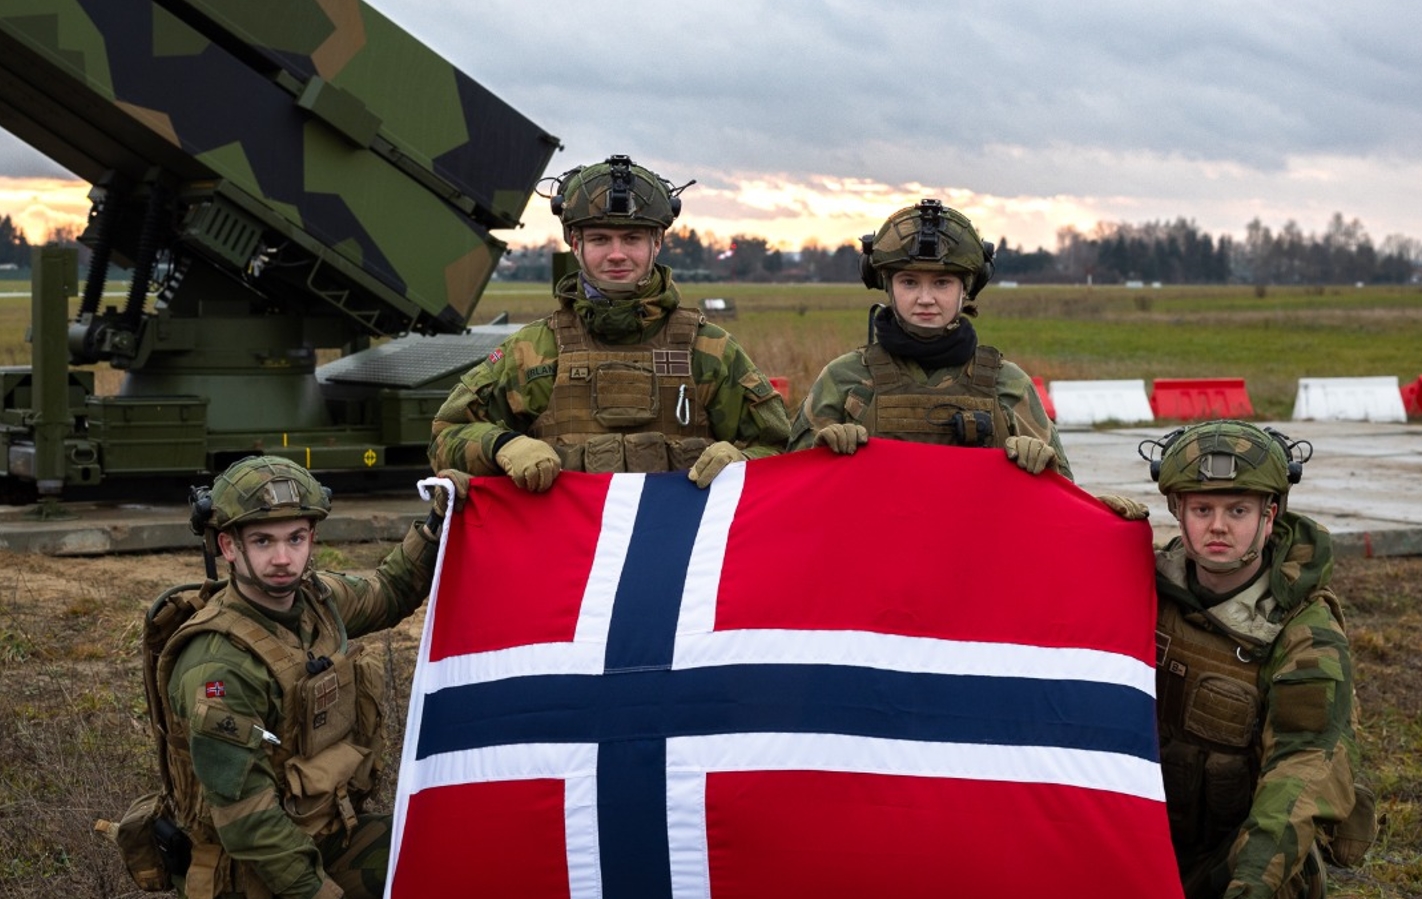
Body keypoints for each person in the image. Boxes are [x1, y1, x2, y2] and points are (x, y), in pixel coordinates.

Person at [142, 456, 469, 898]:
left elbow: (389, 592)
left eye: (295, 538)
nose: (283, 558)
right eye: (263, 541)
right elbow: (248, 821)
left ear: (312, 538)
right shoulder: (218, 665)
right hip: (252, 873)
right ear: (229, 546)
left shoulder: (316, 600)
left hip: (326, 833)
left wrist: (437, 522)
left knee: (457, 854)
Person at [429, 153, 789, 489]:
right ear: (575, 242)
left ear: (658, 242)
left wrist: (742, 460)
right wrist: (503, 446)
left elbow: (781, 449)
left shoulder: (709, 351)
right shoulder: (532, 351)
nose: (617, 254)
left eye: (631, 238)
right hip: (568, 552)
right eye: (600, 239)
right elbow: (446, 436)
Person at [1138, 420, 1375, 898]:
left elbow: (1302, 769)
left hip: (1238, 850)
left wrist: (1251, 883)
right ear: (1176, 511)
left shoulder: (1304, 629)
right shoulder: (1138, 587)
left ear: (1270, 516)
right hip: (1143, 839)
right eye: (1202, 508)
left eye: (1238, 510)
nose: (1218, 526)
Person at [787, 199, 1071, 479]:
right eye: (909, 282)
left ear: (967, 288)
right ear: (888, 286)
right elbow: (790, 488)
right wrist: (821, 453)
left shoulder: (1009, 385)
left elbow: (1065, 500)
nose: (925, 299)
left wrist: (1040, 467)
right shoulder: (843, 379)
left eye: (942, 283)